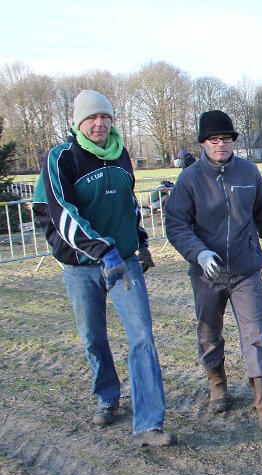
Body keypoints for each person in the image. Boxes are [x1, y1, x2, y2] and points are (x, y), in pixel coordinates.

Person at [32, 89, 175, 447]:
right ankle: (107, 397)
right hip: (82, 266)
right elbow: (61, 211)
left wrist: (139, 239)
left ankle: (148, 424)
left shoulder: (122, 154)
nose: (99, 123)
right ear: (79, 122)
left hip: (124, 263)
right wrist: (102, 249)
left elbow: (127, 202)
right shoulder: (61, 157)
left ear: (112, 120)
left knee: (142, 335)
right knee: (94, 336)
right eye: (92, 118)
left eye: (105, 117)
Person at [165, 110, 262, 429]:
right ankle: (217, 385)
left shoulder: (248, 172)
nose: (221, 144)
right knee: (209, 332)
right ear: (204, 143)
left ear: (234, 141)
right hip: (208, 273)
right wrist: (199, 252)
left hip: (246, 268)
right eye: (213, 139)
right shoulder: (190, 179)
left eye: (226, 139)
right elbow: (176, 224)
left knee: (255, 333)